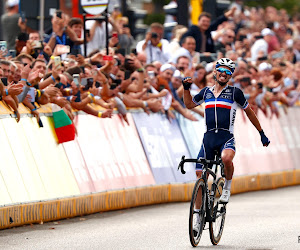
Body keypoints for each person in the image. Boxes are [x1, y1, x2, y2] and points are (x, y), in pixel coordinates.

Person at [181, 58, 270, 234]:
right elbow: (189, 104)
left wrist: (261, 132)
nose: (224, 74)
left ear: (231, 75)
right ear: (215, 72)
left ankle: (227, 187)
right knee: (200, 175)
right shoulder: (206, 92)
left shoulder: (235, 93)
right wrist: (185, 89)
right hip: (208, 140)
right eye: (221, 70)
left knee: (226, 158)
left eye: (228, 72)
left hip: (226, 138)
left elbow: (250, 113)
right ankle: (198, 217)